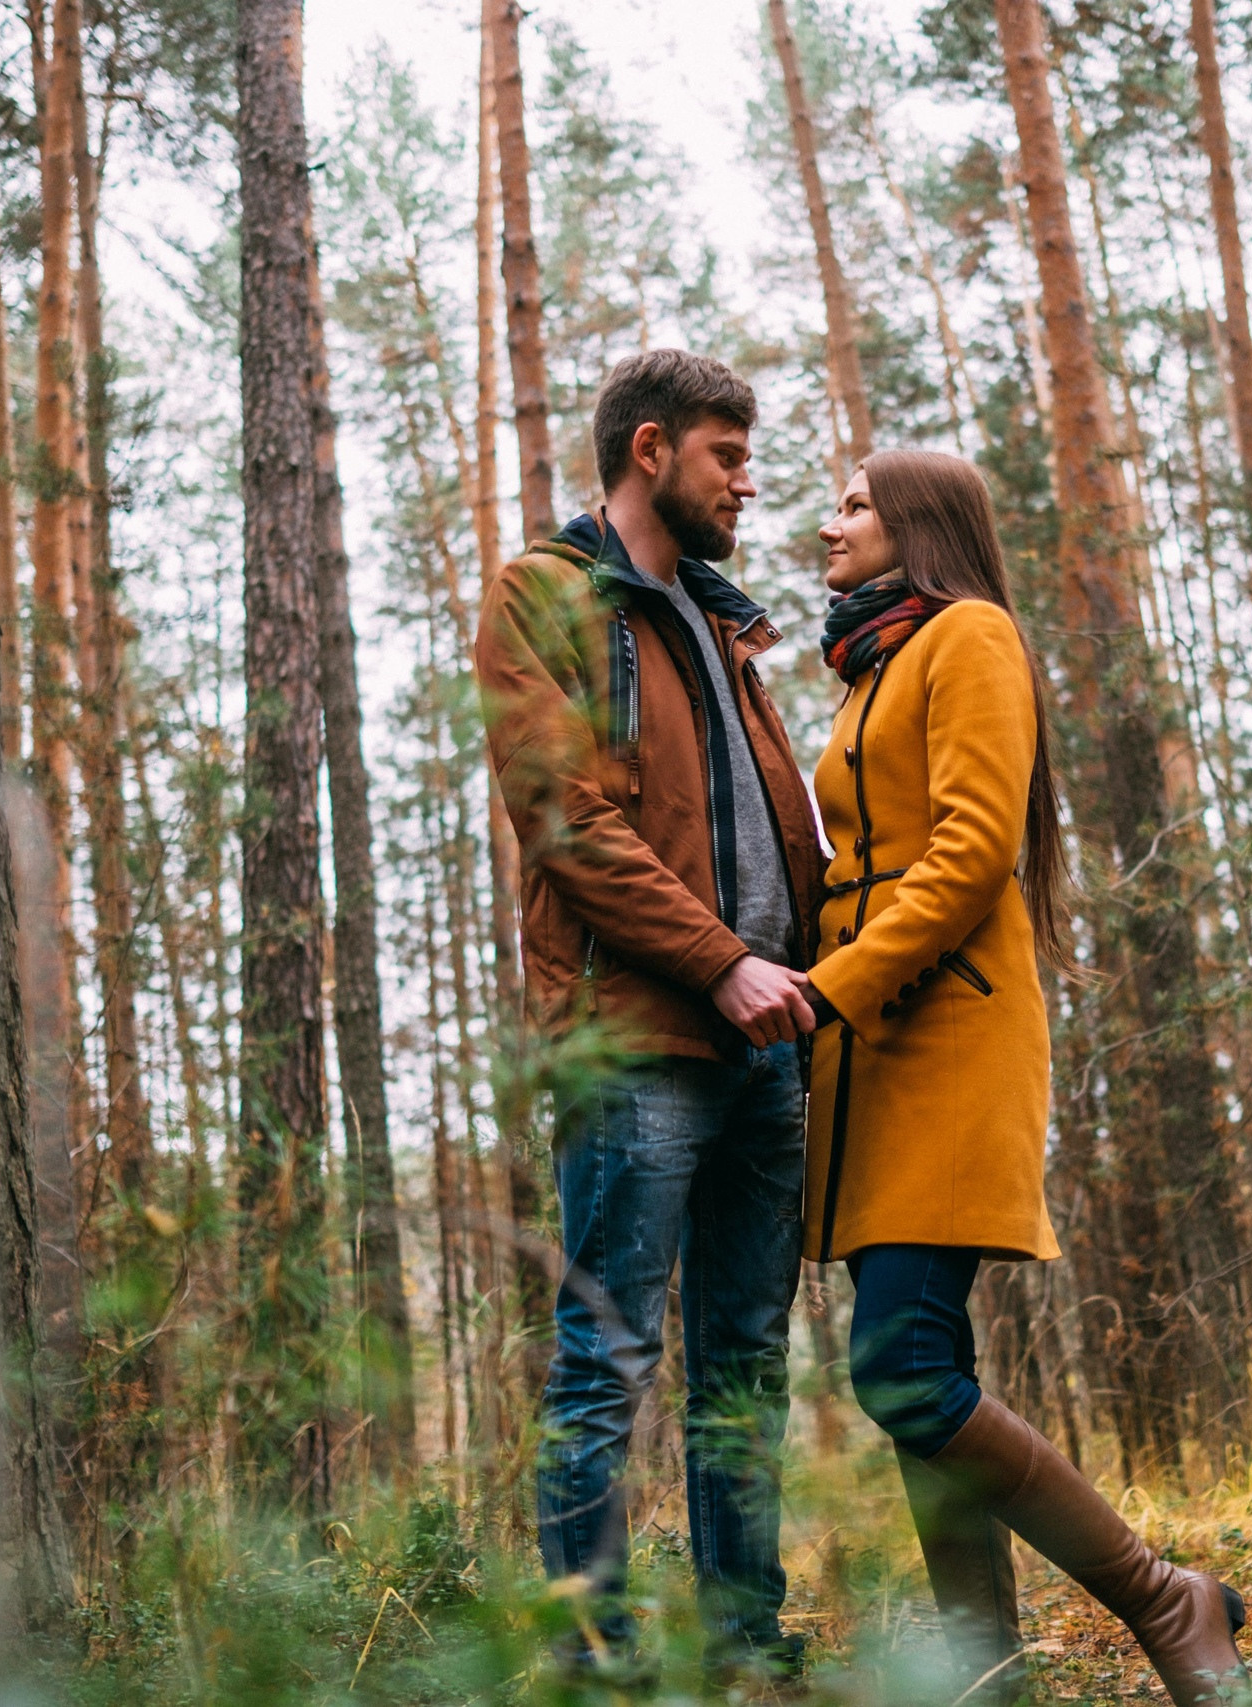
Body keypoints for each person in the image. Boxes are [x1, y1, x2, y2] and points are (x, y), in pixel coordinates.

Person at [801, 450, 1250, 1705]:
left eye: (851, 503)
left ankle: (1169, 1599)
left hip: (941, 1037)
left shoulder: (969, 636)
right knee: (919, 1364)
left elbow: (970, 853)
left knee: (900, 1366)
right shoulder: (873, 664)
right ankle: (983, 1672)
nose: (826, 522)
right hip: (871, 1055)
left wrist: (826, 989)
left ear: (917, 524)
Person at [474, 349, 824, 1679]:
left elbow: (768, 825)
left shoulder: (724, 626)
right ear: (650, 448)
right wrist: (723, 957)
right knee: (604, 1354)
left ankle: (745, 1643)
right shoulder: (547, 594)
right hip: (636, 1041)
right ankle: (590, 1651)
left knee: (745, 1361)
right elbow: (569, 815)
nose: (747, 479)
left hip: (765, 1051)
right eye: (728, 454)